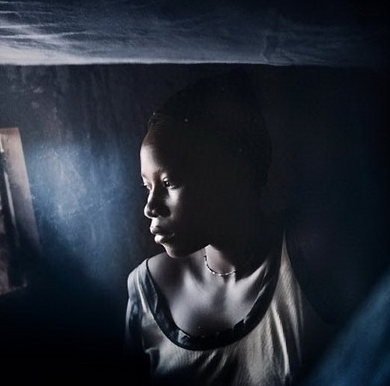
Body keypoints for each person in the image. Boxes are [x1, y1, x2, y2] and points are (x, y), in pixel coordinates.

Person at [124, 70, 334, 386]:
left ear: (230, 174)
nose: (150, 207)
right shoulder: (148, 289)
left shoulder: (310, 261)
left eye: (169, 183)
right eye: (147, 186)